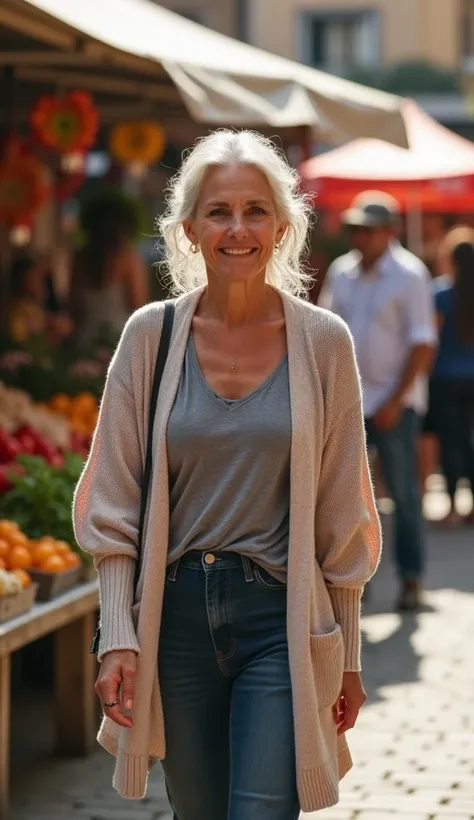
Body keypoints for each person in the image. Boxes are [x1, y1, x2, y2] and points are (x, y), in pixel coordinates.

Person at [73, 131, 381, 819]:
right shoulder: (149, 338)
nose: (237, 229)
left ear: (281, 225)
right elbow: (112, 500)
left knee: (262, 808)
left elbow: (344, 514)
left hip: (280, 614)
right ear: (187, 229)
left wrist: (350, 656)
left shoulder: (324, 342)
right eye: (218, 211)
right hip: (175, 618)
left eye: (255, 210)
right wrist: (118, 633)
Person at [320, 191, 436, 612]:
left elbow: (422, 343)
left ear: (389, 232)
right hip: (348, 403)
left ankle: (410, 578)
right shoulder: (342, 272)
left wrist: (395, 399)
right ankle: (353, 579)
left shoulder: (409, 274)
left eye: (367, 230)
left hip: (394, 404)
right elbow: (323, 332)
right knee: (345, 496)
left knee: (403, 494)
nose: (360, 237)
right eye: (355, 229)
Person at [430, 227, 474, 527]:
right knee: (470, 442)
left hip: (445, 378)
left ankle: (453, 506)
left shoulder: (441, 293)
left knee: (450, 443)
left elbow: (431, 337)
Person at [70, 190, 149, 349]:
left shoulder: (80, 258)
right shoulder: (129, 259)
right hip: (120, 339)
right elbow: (137, 304)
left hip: (86, 339)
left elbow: (73, 308)